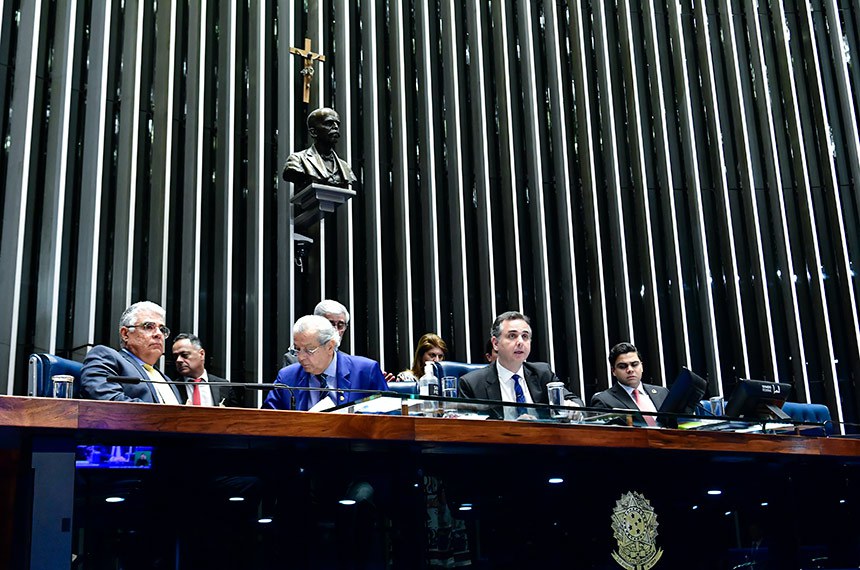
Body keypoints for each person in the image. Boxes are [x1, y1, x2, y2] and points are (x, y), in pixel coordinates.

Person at [458, 311, 584, 414]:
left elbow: (575, 402)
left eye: (525, 336)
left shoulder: (542, 374)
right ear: (495, 343)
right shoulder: (472, 384)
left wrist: (573, 408)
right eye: (512, 336)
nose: (520, 342)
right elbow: (468, 430)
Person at [263, 315, 388, 411]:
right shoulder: (287, 377)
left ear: (330, 347)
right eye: (297, 349)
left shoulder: (365, 371)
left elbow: (388, 417)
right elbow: (267, 421)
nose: (301, 357)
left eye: (309, 350)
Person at [80, 301, 182, 403]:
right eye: (149, 326)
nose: (158, 334)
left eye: (162, 329)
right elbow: (109, 402)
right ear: (125, 334)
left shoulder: (168, 381)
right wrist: (165, 416)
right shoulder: (105, 356)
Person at [590, 342, 669, 425]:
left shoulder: (662, 393)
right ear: (613, 371)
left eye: (634, 364)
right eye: (623, 366)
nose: (630, 370)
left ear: (641, 366)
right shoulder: (603, 400)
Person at [282, 107, 357, 189]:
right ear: (313, 132)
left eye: (337, 124)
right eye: (329, 123)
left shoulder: (346, 167)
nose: (336, 127)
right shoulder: (297, 160)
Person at [172, 333, 245, 407]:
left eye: (184, 355)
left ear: (201, 354)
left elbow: (236, 416)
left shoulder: (223, 386)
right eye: (175, 357)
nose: (178, 360)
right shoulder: (172, 387)